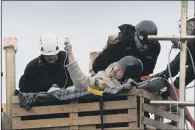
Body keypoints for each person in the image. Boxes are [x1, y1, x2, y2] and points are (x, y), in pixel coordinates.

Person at [64, 38, 143, 90]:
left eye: (121, 71)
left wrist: (70, 54)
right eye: (118, 66)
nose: (115, 69)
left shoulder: (108, 85)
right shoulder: (104, 75)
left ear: (126, 78)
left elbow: (83, 83)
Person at [92, 20, 161, 79]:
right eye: (142, 45)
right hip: (109, 73)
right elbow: (98, 65)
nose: (144, 48)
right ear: (135, 37)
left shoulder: (155, 48)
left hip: (134, 79)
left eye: (148, 46)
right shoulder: (122, 40)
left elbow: (148, 71)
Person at [153, 18, 195, 98]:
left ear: (191, 25)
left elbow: (181, 59)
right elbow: (190, 72)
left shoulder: (192, 41)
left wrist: (164, 74)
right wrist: (173, 88)